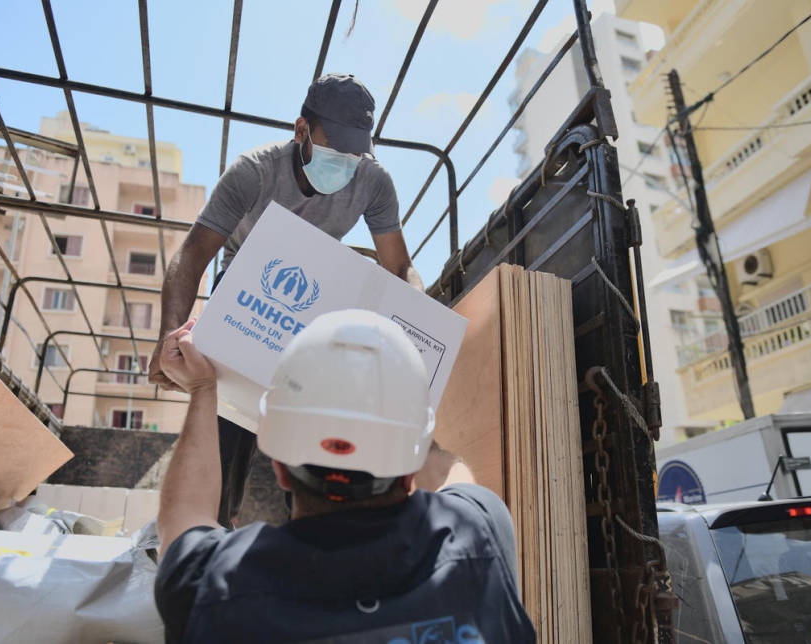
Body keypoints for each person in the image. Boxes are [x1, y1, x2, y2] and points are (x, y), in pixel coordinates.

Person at [154, 310, 537, 643]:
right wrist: (399, 401)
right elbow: (446, 469)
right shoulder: (478, 531)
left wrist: (203, 388)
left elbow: (182, 518)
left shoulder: (214, 587)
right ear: (410, 474)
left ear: (280, 467)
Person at [148, 73, 422, 527]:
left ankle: (314, 537)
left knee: (313, 422)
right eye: (335, 149)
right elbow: (193, 252)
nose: (346, 162)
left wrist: (421, 321)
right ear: (301, 131)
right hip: (245, 294)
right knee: (227, 423)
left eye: (355, 153)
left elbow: (399, 267)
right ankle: (211, 530)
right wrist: (168, 335)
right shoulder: (254, 171)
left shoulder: (373, 182)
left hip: (321, 296)